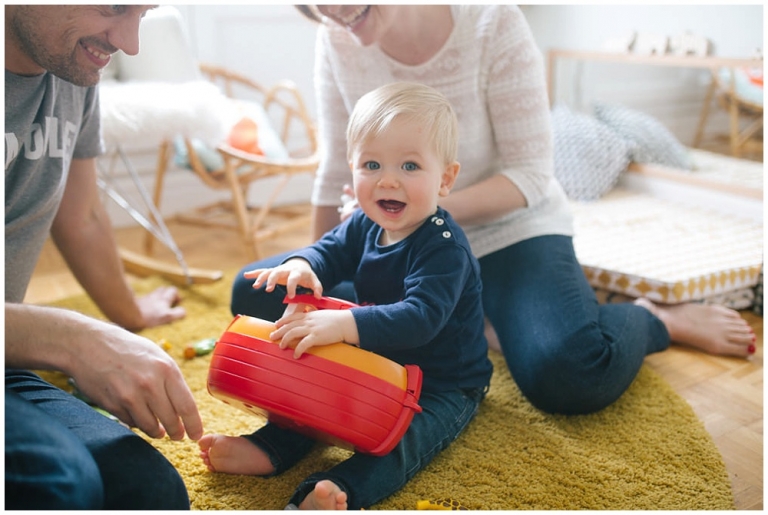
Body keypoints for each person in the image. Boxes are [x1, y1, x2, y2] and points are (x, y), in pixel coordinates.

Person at [232, 5, 756, 419]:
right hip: (397, 238)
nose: (331, 12)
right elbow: (332, 170)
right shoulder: (335, 32)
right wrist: (311, 274)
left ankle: (650, 318)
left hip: (510, 228)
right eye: (316, 7)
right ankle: (473, 319)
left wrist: (420, 211)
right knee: (256, 294)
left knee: (569, 371)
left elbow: (529, 174)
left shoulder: (493, 20)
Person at [199, 82, 493, 510]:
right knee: (312, 395)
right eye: (372, 164)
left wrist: (342, 325)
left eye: (410, 166)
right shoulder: (364, 223)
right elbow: (328, 252)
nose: (388, 179)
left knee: (402, 441)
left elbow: (421, 317)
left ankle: (343, 488)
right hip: (378, 360)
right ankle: (269, 449)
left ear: (445, 179)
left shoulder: (445, 247)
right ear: (352, 168)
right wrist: (302, 265)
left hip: (443, 382)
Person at [5, 5, 204, 509]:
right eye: (115, 6)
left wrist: (128, 316)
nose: (131, 43)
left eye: (144, 10)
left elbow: (82, 216)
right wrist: (75, 342)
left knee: (150, 491)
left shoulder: (74, 68)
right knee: (60, 484)